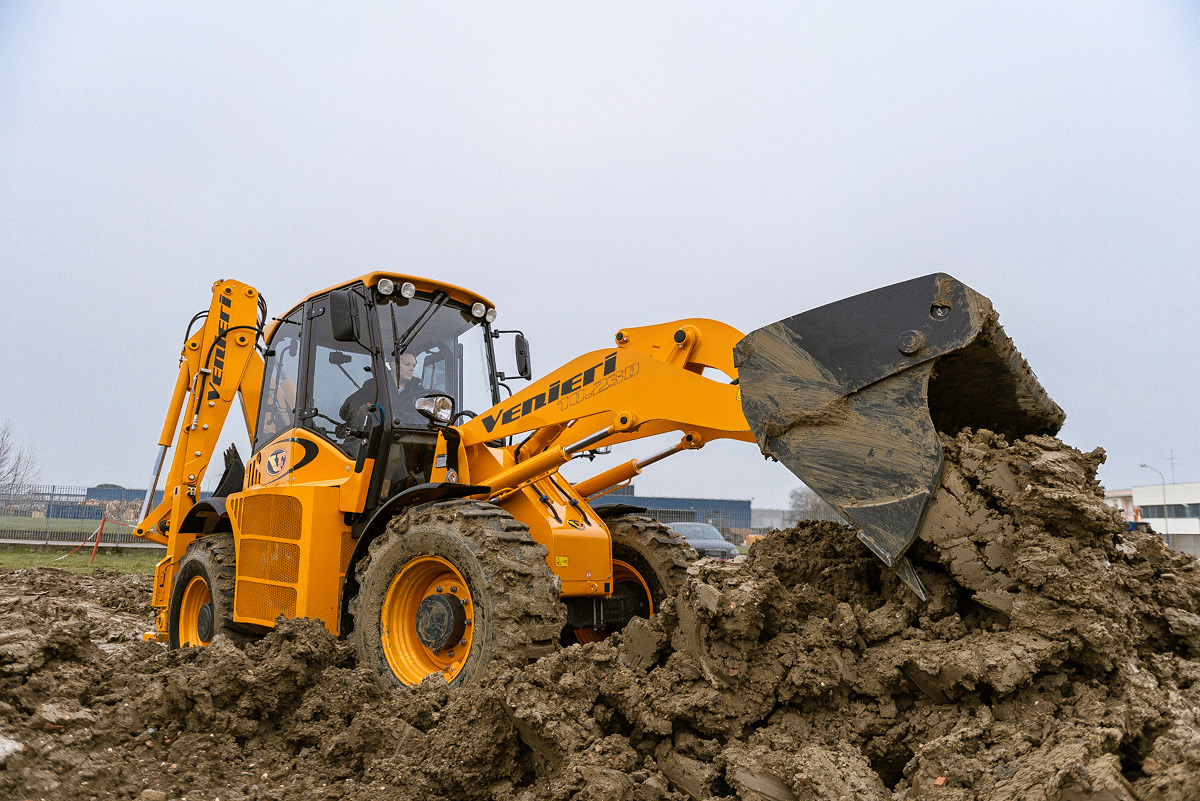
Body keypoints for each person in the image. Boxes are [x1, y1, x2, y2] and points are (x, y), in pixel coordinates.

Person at [340, 352, 425, 427]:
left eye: (414, 366)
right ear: (393, 365)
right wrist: (360, 412)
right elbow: (345, 412)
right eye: (407, 364)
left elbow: (425, 420)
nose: (412, 369)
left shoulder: (419, 392)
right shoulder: (373, 386)